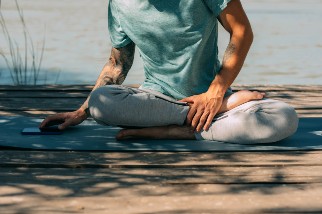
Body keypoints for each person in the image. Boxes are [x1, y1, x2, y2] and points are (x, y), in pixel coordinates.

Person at [40, 0, 298, 143]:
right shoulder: (119, 4)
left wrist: (215, 94)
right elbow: (118, 63)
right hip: (157, 101)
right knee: (101, 102)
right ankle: (199, 122)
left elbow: (242, 31)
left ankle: (176, 129)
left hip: (210, 97)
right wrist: (82, 112)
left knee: (284, 117)